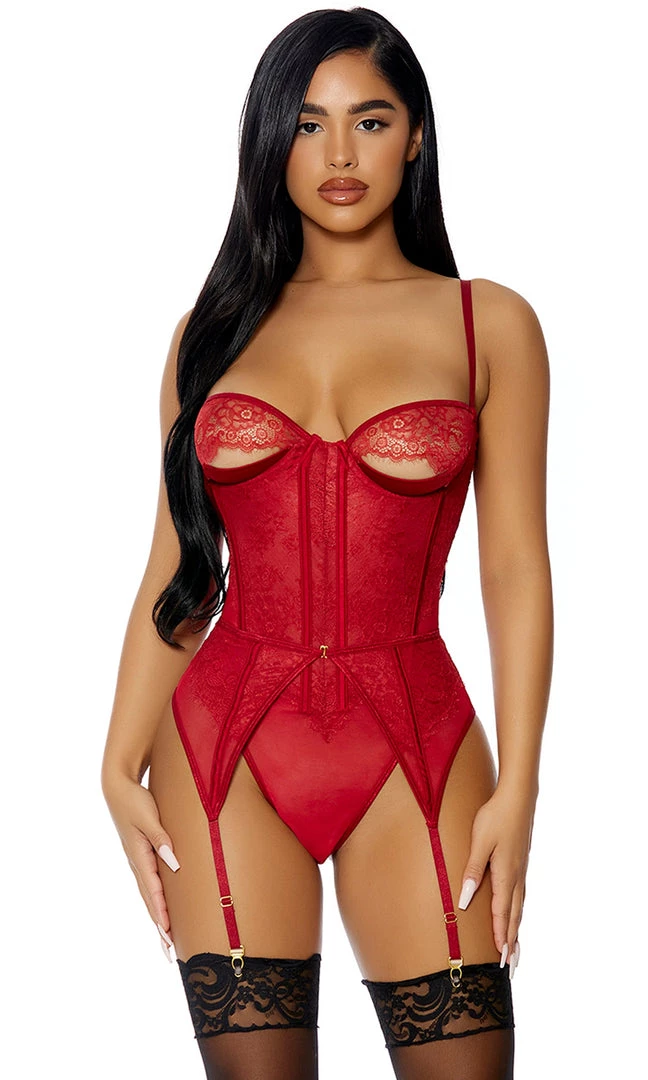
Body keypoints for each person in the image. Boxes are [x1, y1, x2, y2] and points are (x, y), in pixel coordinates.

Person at [101, 8, 552, 1079]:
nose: (340, 155)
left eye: (371, 120)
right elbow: (180, 567)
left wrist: (522, 785)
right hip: (222, 751)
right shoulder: (209, 333)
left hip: (418, 744)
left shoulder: (488, 323)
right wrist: (116, 760)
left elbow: (514, 568)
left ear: (417, 137)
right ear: (273, 140)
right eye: (308, 125)